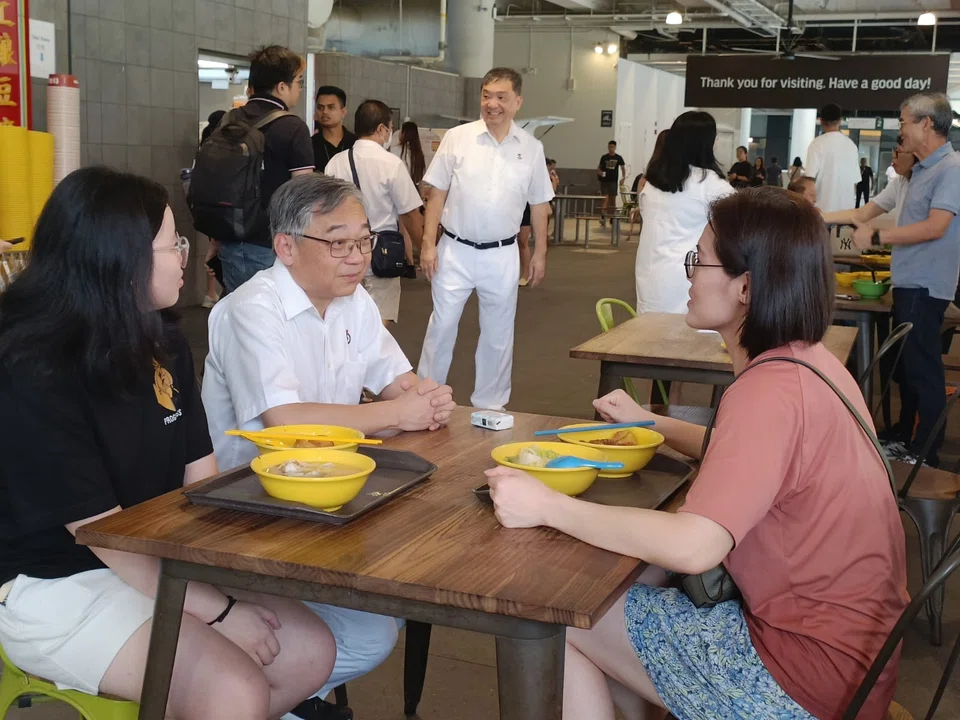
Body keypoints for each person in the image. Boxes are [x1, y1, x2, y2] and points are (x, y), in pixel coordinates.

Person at [486, 187, 908, 720]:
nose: (689, 273)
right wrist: (654, 425)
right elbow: (754, 462)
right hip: (856, 666)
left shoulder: (767, 391)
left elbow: (695, 547)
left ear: (746, 287)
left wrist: (546, 506)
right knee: (633, 589)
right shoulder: (811, 362)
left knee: (558, 613)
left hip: (799, 682)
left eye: (699, 260)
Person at [0, 167, 336, 720]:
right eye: (171, 243)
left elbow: (199, 478)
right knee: (233, 690)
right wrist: (221, 611)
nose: (188, 253)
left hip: (153, 558)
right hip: (61, 584)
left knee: (309, 651)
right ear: (118, 260)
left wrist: (251, 558)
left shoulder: (164, 342)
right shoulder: (34, 372)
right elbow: (102, 537)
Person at [202, 174, 454, 720]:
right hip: (251, 512)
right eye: (339, 242)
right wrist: (395, 413)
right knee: (372, 635)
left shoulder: (353, 303)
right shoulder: (253, 310)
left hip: (330, 499)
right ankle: (249, 699)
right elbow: (284, 422)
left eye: (364, 240)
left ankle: (277, 694)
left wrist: (426, 398)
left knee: (417, 585)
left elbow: (398, 380)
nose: (357, 257)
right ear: (286, 247)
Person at [417, 67, 554, 411]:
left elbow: (540, 205)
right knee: (442, 327)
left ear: (517, 102)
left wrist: (539, 253)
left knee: (498, 334)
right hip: (455, 249)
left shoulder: (532, 149)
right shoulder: (457, 138)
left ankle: (490, 405)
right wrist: (428, 244)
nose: (492, 104)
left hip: (502, 254)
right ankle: (426, 398)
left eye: (501, 97)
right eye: (486, 95)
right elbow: (436, 195)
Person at [850, 92, 960, 467]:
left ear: (926, 123)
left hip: (926, 286)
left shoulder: (951, 169)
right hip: (910, 283)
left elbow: (935, 227)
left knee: (924, 371)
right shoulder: (926, 171)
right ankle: (906, 440)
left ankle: (925, 454)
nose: (901, 131)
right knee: (909, 368)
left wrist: (877, 237)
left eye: (903, 123)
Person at [217, 45, 315, 294]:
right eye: (298, 82)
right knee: (273, 318)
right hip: (270, 245)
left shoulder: (228, 120)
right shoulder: (293, 127)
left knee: (238, 316)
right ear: (282, 87)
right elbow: (302, 195)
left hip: (228, 240)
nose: (300, 90)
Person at [325, 100, 424, 324]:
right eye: (389, 128)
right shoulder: (391, 164)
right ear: (381, 129)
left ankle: (348, 357)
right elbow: (409, 214)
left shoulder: (335, 163)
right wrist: (425, 247)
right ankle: (367, 358)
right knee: (379, 321)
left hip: (342, 251)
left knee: (343, 319)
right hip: (382, 254)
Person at [635, 111, 734, 316]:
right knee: (687, 342)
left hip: (650, 273)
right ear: (707, 143)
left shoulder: (653, 182)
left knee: (649, 337)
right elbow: (745, 222)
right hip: (688, 278)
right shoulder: (709, 184)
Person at [823, 137, 916, 227]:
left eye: (899, 151)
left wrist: (879, 238)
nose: (893, 156)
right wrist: (821, 216)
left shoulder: (925, 183)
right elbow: (862, 213)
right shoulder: (899, 182)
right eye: (895, 149)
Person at [804, 103, 860, 213]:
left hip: (822, 207)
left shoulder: (816, 144)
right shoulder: (851, 145)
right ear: (840, 120)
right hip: (846, 209)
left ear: (820, 120)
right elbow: (855, 180)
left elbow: (809, 178)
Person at [199, 110, 226, 308]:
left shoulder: (205, 145)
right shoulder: (222, 147)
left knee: (213, 249)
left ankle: (211, 293)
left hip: (209, 208)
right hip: (221, 209)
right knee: (215, 250)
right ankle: (211, 293)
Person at [313, 86, 357, 173]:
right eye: (320, 108)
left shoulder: (355, 143)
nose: (325, 112)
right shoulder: (309, 145)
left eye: (331, 107)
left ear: (343, 112)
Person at [597, 140, 626, 227]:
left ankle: (612, 217)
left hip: (613, 181)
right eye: (610, 147)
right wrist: (600, 173)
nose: (611, 149)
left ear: (615, 147)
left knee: (612, 200)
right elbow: (599, 168)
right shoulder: (604, 157)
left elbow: (623, 168)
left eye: (613, 147)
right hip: (605, 181)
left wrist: (623, 178)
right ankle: (603, 216)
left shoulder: (618, 158)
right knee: (605, 199)